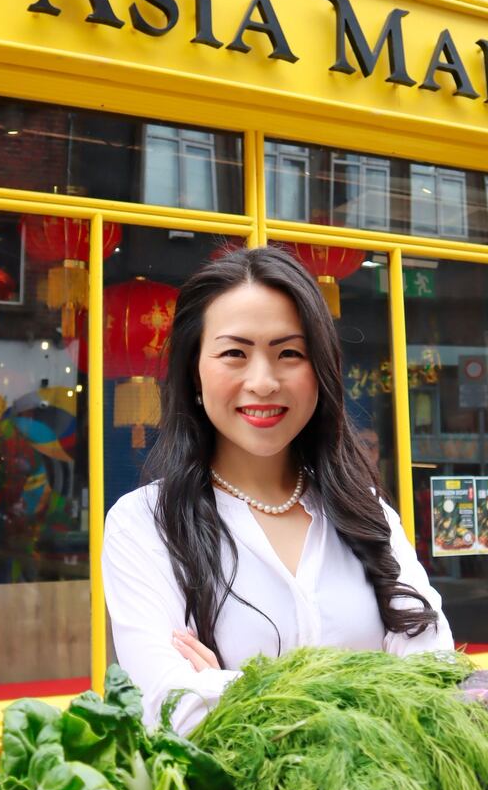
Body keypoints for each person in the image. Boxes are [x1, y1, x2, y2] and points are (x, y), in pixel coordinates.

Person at [102, 246, 453, 734]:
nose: (263, 382)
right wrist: (372, 691)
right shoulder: (145, 524)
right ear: (194, 372)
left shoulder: (364, 511)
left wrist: (235, 690)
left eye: (289, 353)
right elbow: (176, 712)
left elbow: (435, 678)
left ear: (319, 371)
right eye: (234, 353)